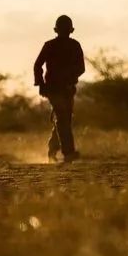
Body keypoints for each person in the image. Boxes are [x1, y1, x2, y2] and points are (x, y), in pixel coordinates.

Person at [34, 15, 85, 162]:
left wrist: (69, 77)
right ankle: (68, 152)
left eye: (66, 29)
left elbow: (81, 68)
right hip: (53, 88)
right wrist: (41, 84)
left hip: (67, 88)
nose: (64, 32)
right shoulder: (50, 45)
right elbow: (38, 65)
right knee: (63, 117)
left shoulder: (74, 46)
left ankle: (52, 150)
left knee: (64, 119)